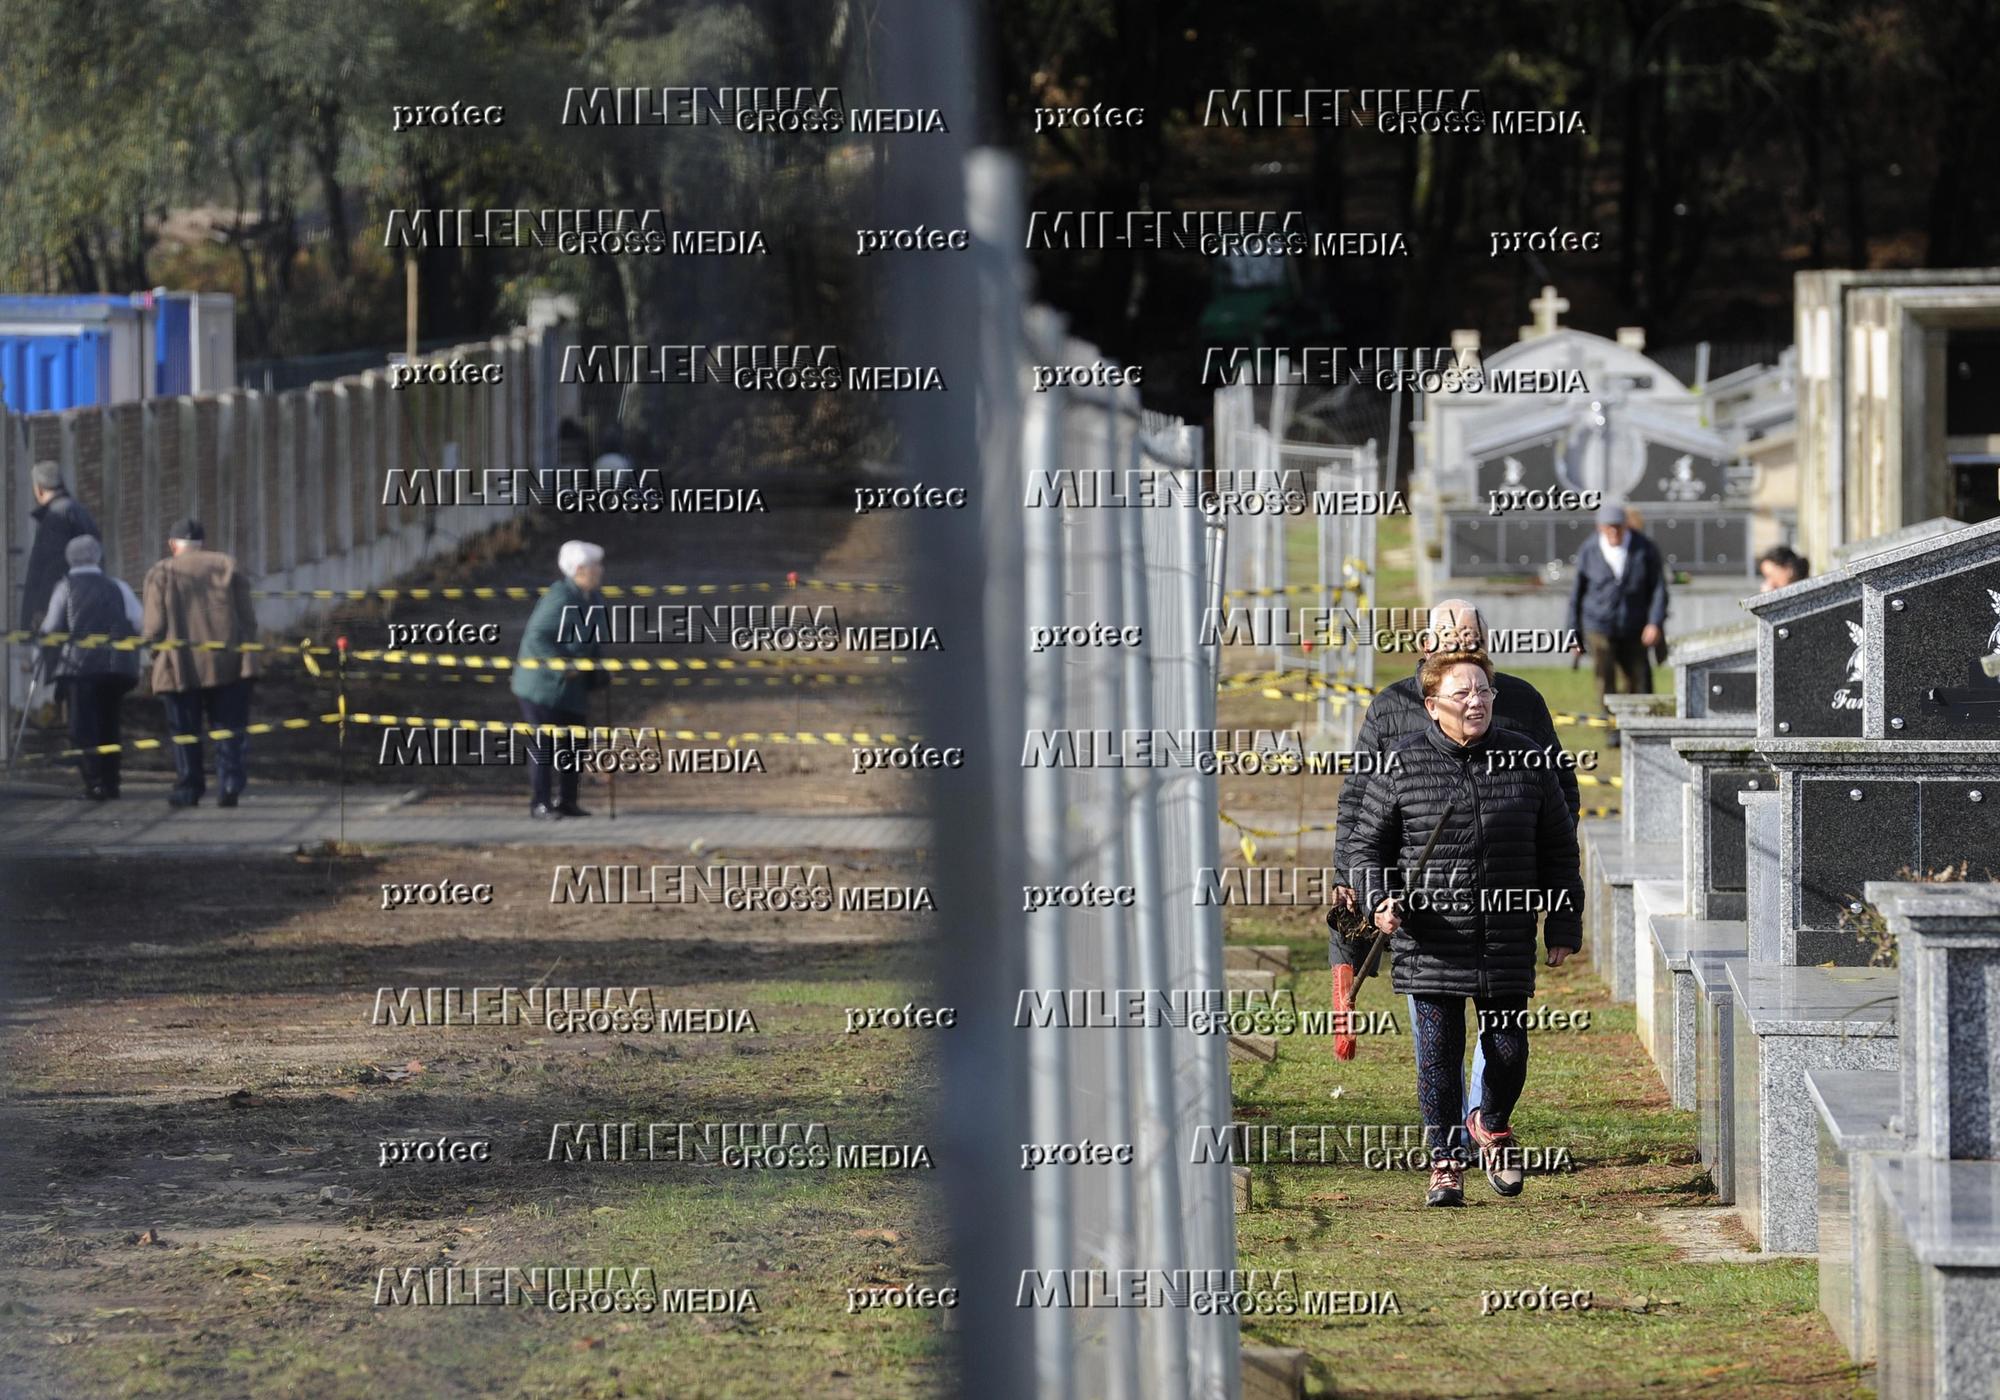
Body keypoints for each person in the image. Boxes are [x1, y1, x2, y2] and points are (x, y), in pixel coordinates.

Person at [1345, 650, 1584, 1207]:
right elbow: (1366, 845)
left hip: (1505, 933)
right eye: (1462, 693)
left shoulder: (1526, 760)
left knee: (1506, 1049)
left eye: (1484, 691)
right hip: (1430, 939)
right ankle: (1446, 1161)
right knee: (1437, 1053)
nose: (1476, 701)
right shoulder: (1401, 764)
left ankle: (1492, 1126)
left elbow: (1557, 846)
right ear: (1432, 706)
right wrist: (1378, 899)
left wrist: (1563, 921)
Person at [141, 518, 259, 808]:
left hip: (179, 665)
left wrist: (154, 653)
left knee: (184, 730)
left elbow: (154, 626)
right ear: (202, 543)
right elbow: (248, 619)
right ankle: (229, 782)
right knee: (228, 727)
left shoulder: (161, 572)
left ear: (172, 545)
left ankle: (189, 787)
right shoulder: (228, 565)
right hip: (226, 662)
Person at [512, 540, 608, 819]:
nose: (600, 571)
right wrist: (563, 667)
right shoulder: (561, 597)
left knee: (574, 743)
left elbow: (593, 638)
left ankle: (568, 800)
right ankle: (540, 803)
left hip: (572, 688)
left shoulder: (593, 598)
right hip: (542, 686)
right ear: (579, 569)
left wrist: (599, 669)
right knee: (545, 743)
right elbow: (537, 637)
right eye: (595, 566)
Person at [39, 535, 141, 799]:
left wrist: (39, 647)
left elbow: (51, 628)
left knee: (83, 727)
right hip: (115, 666)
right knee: (110, 723)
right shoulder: (118, 586)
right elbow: (139, 620)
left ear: (69, 558)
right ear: (98, 556)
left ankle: (94, 781)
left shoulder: (65, 587)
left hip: (79, 668)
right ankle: (112, 780)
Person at [1566, 498, 1669, 737]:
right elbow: (1576, 595)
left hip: (1635, 626)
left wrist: (1655, 622)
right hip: (1598, 626)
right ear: (1599, 527)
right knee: (1605, 680)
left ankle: (1641, 730)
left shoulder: (1644, 549)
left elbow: (1658, 589)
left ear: (1626, 525)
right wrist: (1573, 634)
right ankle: (1612, 731)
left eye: (1617, 526)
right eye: (1608, 526)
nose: (1613, 531)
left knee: (1639, 680)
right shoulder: (1589, 550)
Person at [20, 460, 100, 634]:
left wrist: (41, 611)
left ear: (39, 490)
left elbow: (52, 567)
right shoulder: (79, 511)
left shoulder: (55, 517)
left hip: (61, 614)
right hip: (87, 607)